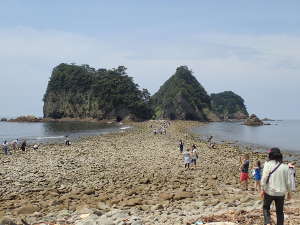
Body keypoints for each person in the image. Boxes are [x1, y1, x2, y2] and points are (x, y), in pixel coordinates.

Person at [261, 148, 291, 225]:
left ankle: (267, 223)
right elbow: (288, 182)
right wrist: (289, 192)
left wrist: (262, 189)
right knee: (280, 212)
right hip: (281, 193)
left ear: (270, 155)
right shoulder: (285, 167)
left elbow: (264, 178)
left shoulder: (267, 164)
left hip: (269, 191)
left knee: (266, 208)